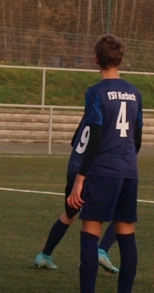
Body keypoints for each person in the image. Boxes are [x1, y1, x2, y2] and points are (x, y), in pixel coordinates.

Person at [60, 35, 143, 293]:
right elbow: (137, 137)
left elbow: (94, 137)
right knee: (126, 234)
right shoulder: (134, 92)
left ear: (96, 59)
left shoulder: (96, 92)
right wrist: (127, 161)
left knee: (90, 231)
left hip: (103, 170)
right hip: (129, 170)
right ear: (121, 60)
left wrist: (81, 178)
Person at [33, 110, 118, 276]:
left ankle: (44, 255)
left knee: (69, 214)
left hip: (74, 166)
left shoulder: (89, 114)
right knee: (121, 212)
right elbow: (100, 143)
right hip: (88, 170)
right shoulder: (107, 115)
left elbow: (75, 142)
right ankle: (99, 252)